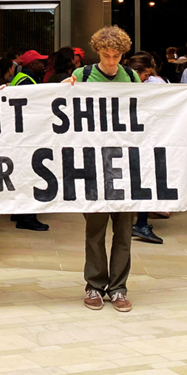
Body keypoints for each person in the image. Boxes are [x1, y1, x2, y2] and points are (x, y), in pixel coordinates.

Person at [67, 26, 141, 312]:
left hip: (125, 164)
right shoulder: (82, 76)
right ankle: (95, 285)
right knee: (95, 231)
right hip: (93, 165)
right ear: (98, 52)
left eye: (117, 56)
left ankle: (119, 288)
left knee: (123, 231)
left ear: (123, 54)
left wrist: (186, 96)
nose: (111, 62)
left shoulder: (132, 76)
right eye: (106, 55)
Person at [125, 54, 166, 244]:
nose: (147, 78)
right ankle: (140, 223)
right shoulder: (148, 86)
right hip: (142, 139)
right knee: (143, 179)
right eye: (146, 74)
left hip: (131, 139)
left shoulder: (122, 85)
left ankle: (137, 222)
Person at [8, 50, 50, 232]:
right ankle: (27, 217)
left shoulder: (21, 78)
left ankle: (19, 212)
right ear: (32, 65)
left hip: (22, 134)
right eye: (40, 62)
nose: (44, 65)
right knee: (30, 175)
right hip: (28, 134)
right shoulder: (27, 81)